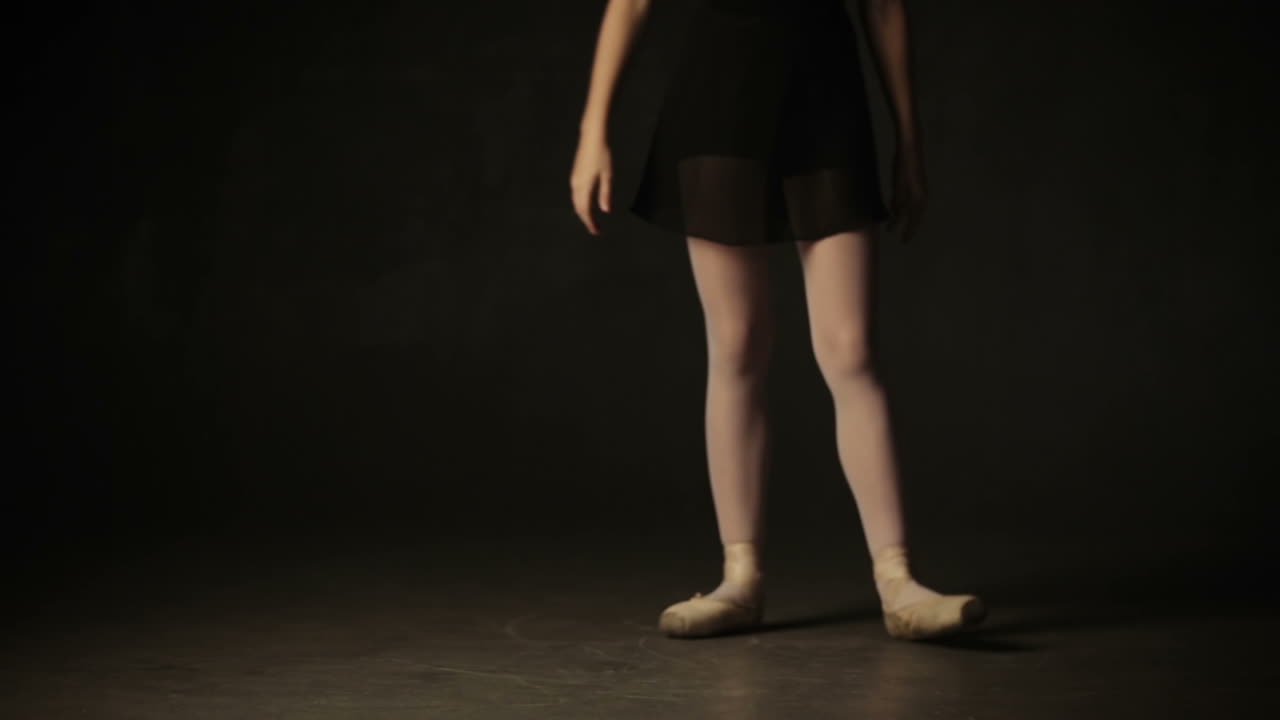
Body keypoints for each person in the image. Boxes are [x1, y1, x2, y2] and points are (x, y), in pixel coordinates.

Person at [569, 0, 985, 640]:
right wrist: (593, 129)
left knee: (849, 349)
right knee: (736, 345)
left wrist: (910, 140)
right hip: (715, 101)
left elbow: (883, 7)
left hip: (825, 99)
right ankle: (741, 578)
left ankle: (897, 581)